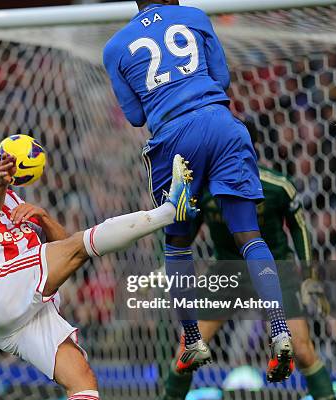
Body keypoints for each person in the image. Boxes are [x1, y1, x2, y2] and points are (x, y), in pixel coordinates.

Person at [0, 142, 196, 400]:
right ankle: (168, 211)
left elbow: (68, 246)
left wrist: (44, 218)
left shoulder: (13, 200)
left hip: (26, 312)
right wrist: (1, 182)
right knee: (78, 248)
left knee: (81, 377)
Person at [103, 0, 294, 380]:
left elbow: (137, 116)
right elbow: (221, 79)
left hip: (173, 138)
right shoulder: (195, 17)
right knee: (250, 236)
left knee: (177, 245)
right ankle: (279, 329)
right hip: (221, 123)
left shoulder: (116, 47)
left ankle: (192, 341)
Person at [159, 139, 336, 400]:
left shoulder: (276, 186)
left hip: (275, 269)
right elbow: (185, 235)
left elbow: (299, 226)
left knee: (302, 349)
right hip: (228, 270)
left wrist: (308, 275)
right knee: (186, 350)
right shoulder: (203, 189)